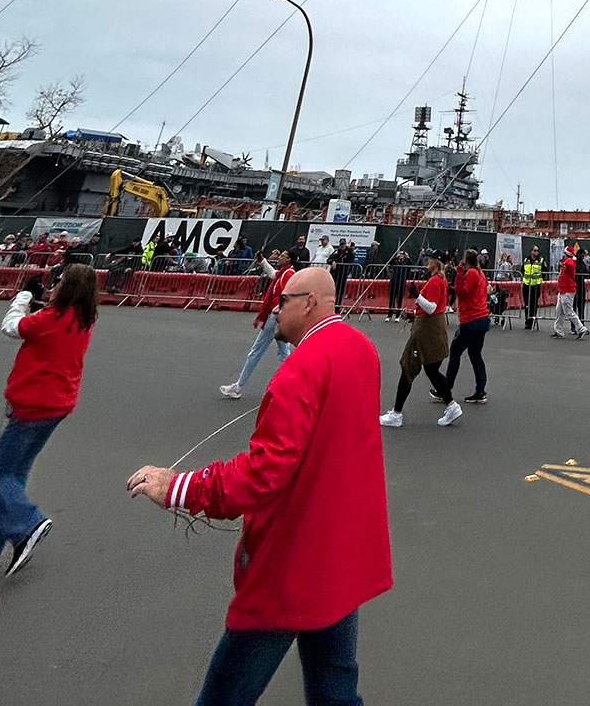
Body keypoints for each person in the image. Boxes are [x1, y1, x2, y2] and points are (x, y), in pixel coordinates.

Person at [128, 268, 391, 705]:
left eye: (283, 300)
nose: (275, 306)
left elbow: (262, 474)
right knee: (335, 686)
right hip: (342, 551)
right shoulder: (361, 349)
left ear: (308, 303)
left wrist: (179, 487)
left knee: (225, 695)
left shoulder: (300, 368)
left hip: (293, 561)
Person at [0, 264, 98, 579]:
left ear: (67, 287)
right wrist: (40, 298)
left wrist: (23, 295)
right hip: (56, 406)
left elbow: (12, 326)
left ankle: (28, 524)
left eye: (58, 282)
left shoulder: (50, 319)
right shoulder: (82, 319)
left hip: (32, 406)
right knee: (12, 481)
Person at [380, 258, 461, 428]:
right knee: (431, 370)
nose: (426, 264)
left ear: (436, 264)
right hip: (432, 328)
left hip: (426, 329)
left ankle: (397, 413)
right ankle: (451, 405)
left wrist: (417, 295)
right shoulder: (441, 280)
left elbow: (431, 307)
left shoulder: (434, 281)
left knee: (408, 367)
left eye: (430, 261)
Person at [219, 250, 297, 399]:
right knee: (284, 354)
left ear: (288, 259)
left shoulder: (287, 274)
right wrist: (262, 261)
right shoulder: (283, 273)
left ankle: (239, 387)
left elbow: (288, 294)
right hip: (277, 316)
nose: (279, 257)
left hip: (275, 317)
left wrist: (280, 308)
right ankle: (294, 384)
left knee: (257, 351)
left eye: (282, 256)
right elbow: (273, 274)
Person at [444, 249, 490, 405]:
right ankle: (480, 390)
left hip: (470, 319)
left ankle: (446, 388)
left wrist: (459, 274)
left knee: (455, 353)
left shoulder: (470, 273)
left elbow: (462, 292)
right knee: (476, 355)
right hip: (482, 317)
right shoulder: (481, 273)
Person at [551, 245, 589, 340]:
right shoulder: (567, 262)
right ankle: (558, 331)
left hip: (568, 290)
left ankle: (581, 328)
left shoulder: (570, 261)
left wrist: (564, 263)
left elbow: (570, 265)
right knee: (559, 311)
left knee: (569, 311)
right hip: (563, 289)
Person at [522, 246, 546, 330]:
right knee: (527, 304)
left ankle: (532, 321)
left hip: (535, 286)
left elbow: (544, 271)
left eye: (537, 251)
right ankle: (527, 321)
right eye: (535, 250)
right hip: (526, 284)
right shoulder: (526, 260)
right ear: (531, 251)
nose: (536, 252)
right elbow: (522, 271)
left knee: (533, 304)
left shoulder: (541, 260)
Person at [387, 249, 411, 319]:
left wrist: (408, 257)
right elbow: (390, 262)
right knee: (392, 299)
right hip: (394, 281)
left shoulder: (406, 262)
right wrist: (396, 256)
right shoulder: (395, 261)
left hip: (401, 281)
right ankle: (389, 315)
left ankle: (397, 315)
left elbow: (411, 264)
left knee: (399, 299)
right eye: (400, 254)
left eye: (402, 254)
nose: (401, 255)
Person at [574, 245, 590, 322]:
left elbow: (585, 272)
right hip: (575, 286)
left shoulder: (583, 263)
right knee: (574, 306)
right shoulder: (575, 263)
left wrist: (589, 272)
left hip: (581, 286)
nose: (583, 256)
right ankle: (574, 325)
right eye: (582, 255)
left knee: (581, 306)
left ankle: (581, 323)